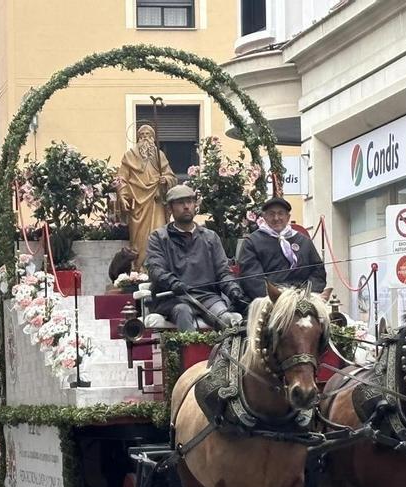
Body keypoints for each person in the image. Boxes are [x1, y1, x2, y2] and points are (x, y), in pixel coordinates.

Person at [145, 185, 246, 331]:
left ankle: (226, 346)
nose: (186, 206)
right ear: (169, 209)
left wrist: (233, 289)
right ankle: (190, 347)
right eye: (180, 203)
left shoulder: (210, 237)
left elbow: (223, 272)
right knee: (183, 311)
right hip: (173, 298)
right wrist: (172, 282)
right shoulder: (159, 237)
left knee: (226, 319)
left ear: (195, 205)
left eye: (190, 201)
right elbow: (155, 269)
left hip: (208, 297)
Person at [238, 197, 327, 300]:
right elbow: (252, 279)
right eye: (271, 214)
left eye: (281, 213)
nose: (276, 218)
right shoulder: (252, 242)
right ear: (264, 217)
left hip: (304, 298)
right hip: (270, 299)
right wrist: (278, 299)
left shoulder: (304, 241)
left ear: (288, 217)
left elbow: (318, 272)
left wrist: (307, 294)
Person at [118, 124, 178, 269]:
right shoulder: (129, 155)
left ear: (153, 137)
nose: (145, 138)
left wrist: (166, 180)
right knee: (138, 238)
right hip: (137, 204)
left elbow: (171, 176)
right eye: (142, 135)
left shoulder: (159, 155)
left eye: (148, 135)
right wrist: (123, 196)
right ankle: (139, 269)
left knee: (159, 233)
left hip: (156, 202)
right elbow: (122, 179)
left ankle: (159, 268)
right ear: (138, 138)